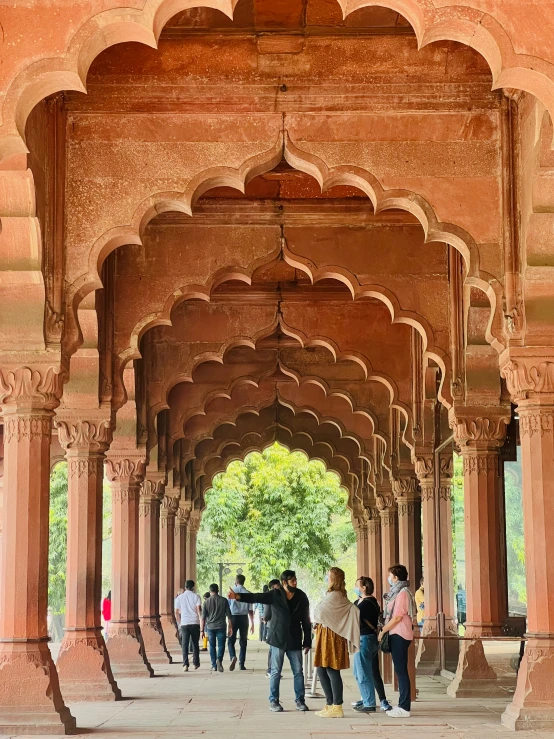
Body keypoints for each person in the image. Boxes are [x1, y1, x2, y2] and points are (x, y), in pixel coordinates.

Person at [228, 569, 311, 712]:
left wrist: (308, 641)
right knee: (275, 671)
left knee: (298, 672)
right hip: (278, 639)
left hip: (295, 639)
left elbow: (306, 620)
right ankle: (274, 701)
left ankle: (300, 700)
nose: (295, 582)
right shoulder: (275, 595)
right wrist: (237, 596)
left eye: (296, 579)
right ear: (284, 583)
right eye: (292, 580)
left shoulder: (302, 596)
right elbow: (256, 597)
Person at [312, 567, 360, 719]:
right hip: (327, 635)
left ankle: (337, 706)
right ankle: (330, 703)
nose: (327, 579)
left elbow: (319, 612)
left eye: (329, 576)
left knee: (332, 669)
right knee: (321, 668)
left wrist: (318, 615)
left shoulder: (335, 595)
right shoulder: (335, 594)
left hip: (332, 636)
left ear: (334, 579)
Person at [378, 564, 417, 719]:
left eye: (390, 576)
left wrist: (383, 630)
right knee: (400, 671)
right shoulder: (399, 592)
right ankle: (402, 704)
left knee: (401, 672)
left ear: (395, 577)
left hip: (399, 634)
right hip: (399, 633)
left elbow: (397, 617)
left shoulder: (402, 593)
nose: (389, 578)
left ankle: (404, 707)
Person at [352, 576, 391, 713]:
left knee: (364, 672)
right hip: (368, 639)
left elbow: (353, 618)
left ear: (364, 587)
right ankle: (366, 698)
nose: (355, 587)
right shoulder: (367, 602)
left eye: (357, 585)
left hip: (364, 639)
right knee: (360, 671)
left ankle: (369, 703)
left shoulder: (366, 604)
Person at [202, 584, 233, 672]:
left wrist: (201, 630)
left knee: (212, 646)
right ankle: (219, 659)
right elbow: (229, 615)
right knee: (221, 645)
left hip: (210, 627)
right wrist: (231, 627)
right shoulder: (224, 600)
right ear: (218, 590)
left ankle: (214, 665)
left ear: (210, 591)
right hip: (221, 626)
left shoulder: (206, 602)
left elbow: (203, 617)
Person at [227, 574, 255, 671]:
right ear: (244, 581)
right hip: (244, 618)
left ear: (236, 581)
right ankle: (241, 664)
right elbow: (251, 610)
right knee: (243, 641)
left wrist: (229, 621)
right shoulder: (248, 593)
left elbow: (228, 608)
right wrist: (252, 624)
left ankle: (233, 656)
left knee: (231, 640)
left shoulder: (231, 592)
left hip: (234, 617)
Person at [174, 580, 202, 672]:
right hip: (195, 622)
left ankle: (185, 664)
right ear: (193, 587)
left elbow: (176, 613)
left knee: (184, 644)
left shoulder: (179, 598)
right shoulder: (196, 596)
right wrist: (201, 623)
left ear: (185, 587)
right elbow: (199, 611)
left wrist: (180, 623)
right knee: (195, 643)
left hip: (184, 623)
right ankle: (196, 663)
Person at [263, 579, 281, 677]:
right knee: (273, 648)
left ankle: (273, 669)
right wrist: (265, 618)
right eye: (278, 585)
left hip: (272, 625)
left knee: (274, 648)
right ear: (274, 586)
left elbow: (266, 614)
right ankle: (270, 669)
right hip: (273, 626)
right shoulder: (270, 596)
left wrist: (265, 619)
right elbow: (267, 613)